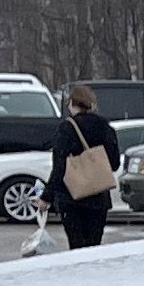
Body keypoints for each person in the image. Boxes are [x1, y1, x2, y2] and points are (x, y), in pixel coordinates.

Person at [50, 86, 119, 253]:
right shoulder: (105, 127)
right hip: (99, 196)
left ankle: (78, 276)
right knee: (93, 247)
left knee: (76, 245)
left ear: (72, 103)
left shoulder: (66, 128)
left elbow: (59, 166)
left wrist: (47, 196)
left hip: (71, 197)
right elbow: (114, 163)